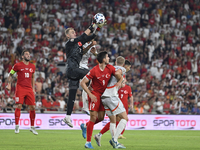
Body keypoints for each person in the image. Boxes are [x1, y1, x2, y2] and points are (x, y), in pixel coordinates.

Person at [63, 20, 104, 128]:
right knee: (91, 75)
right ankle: (86, 106)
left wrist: (98, 28)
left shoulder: (78, 45)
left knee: (72, 95)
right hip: (73, 69)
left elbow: (87, 39)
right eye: (72, 32)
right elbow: (83, 37)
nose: (74, 33)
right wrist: (93, 25)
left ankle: (67, 117)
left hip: (73, 72)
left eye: (74, 31)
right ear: (68, 35)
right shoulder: (70, 42)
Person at [80, 51, 123, 149]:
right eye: (107, 57)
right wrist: (90, 94)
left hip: (104, 96)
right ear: (103, 59)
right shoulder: (94, 70)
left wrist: (120, 81)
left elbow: (118, 74)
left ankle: (85, 126)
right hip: (95, 95)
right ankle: (88, 142)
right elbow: (82, 83)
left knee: (101, 118)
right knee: (93, 117)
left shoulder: (110, 68)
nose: (109, 58)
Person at [94, 59, 132, 148]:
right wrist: (120, 80)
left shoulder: (110, 68)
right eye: (129, 67)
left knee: (113, 120)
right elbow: (118, 74)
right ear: (125, 65)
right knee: (125, 118)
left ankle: (102, 136)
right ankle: (114, 140)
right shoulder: (121, 69)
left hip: (104, 97)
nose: (129, 69)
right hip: (111, 96)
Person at [6, 49, 38, 135]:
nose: (28, 55)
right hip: (20, 88)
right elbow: (10, 74)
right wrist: (9, 84)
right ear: (23, 56)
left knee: (33, 107)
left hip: (29, 89)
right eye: (26, 54)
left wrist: (33, 89)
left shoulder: (32, 66)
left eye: (29, 54)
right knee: (19, 105)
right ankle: (17, 125)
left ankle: (32, 127)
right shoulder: (17, 65)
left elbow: (32, 77)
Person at [80, 42, 98, 115]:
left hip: (85, 67)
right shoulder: (80, 43)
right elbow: (82, 53)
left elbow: (96, 56)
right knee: (85, 85)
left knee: (87, 86)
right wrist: (89, 47)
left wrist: (95, 53)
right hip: (79, 67)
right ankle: (85, 105)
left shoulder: (92, 45)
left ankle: (86, 105)